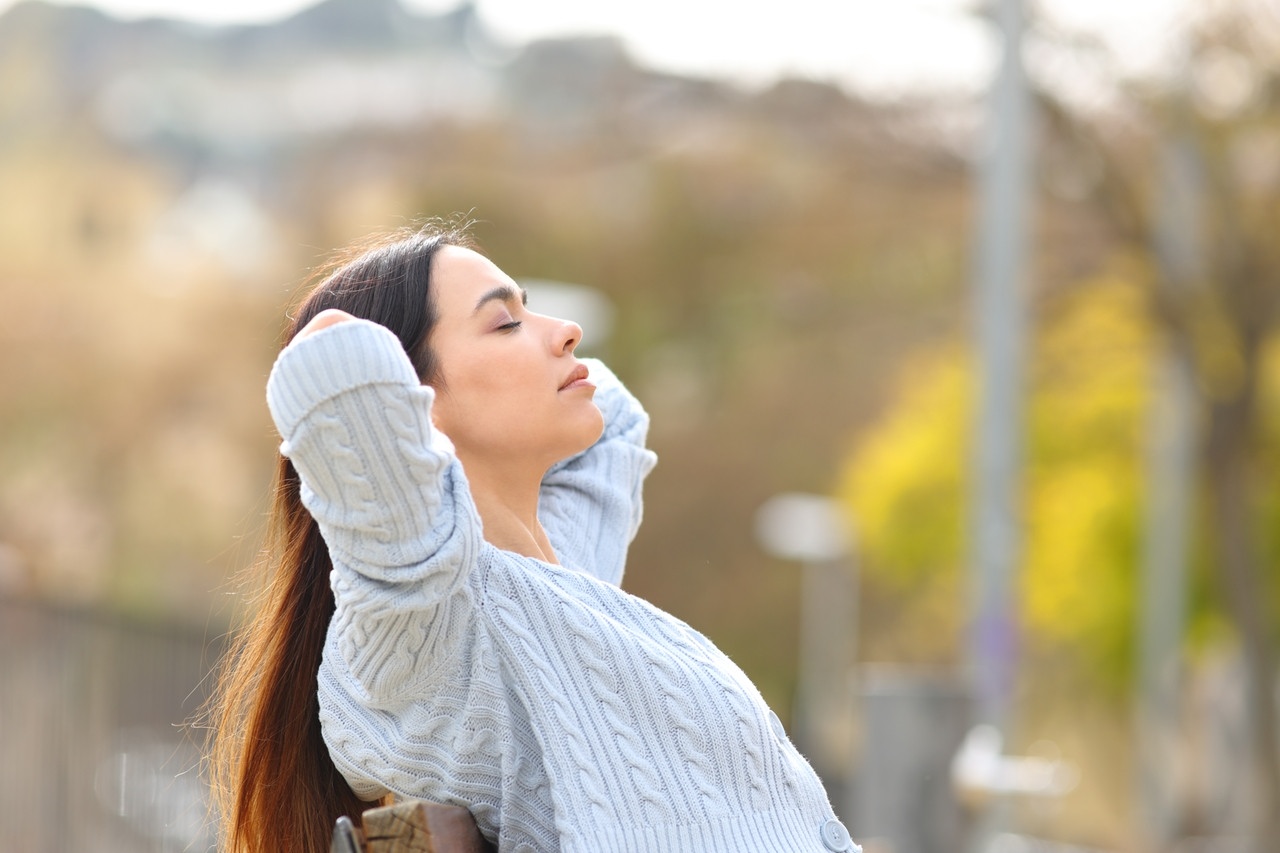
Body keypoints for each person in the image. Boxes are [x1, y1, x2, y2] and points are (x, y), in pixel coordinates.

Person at [207, 221, 859, 853]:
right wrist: (414, 441)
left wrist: (509, 334)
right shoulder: (426, 619)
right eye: (506, 322)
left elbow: (616, 421)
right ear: (412, 404)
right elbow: (331, 355)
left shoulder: (559, 589)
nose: (568, 333)